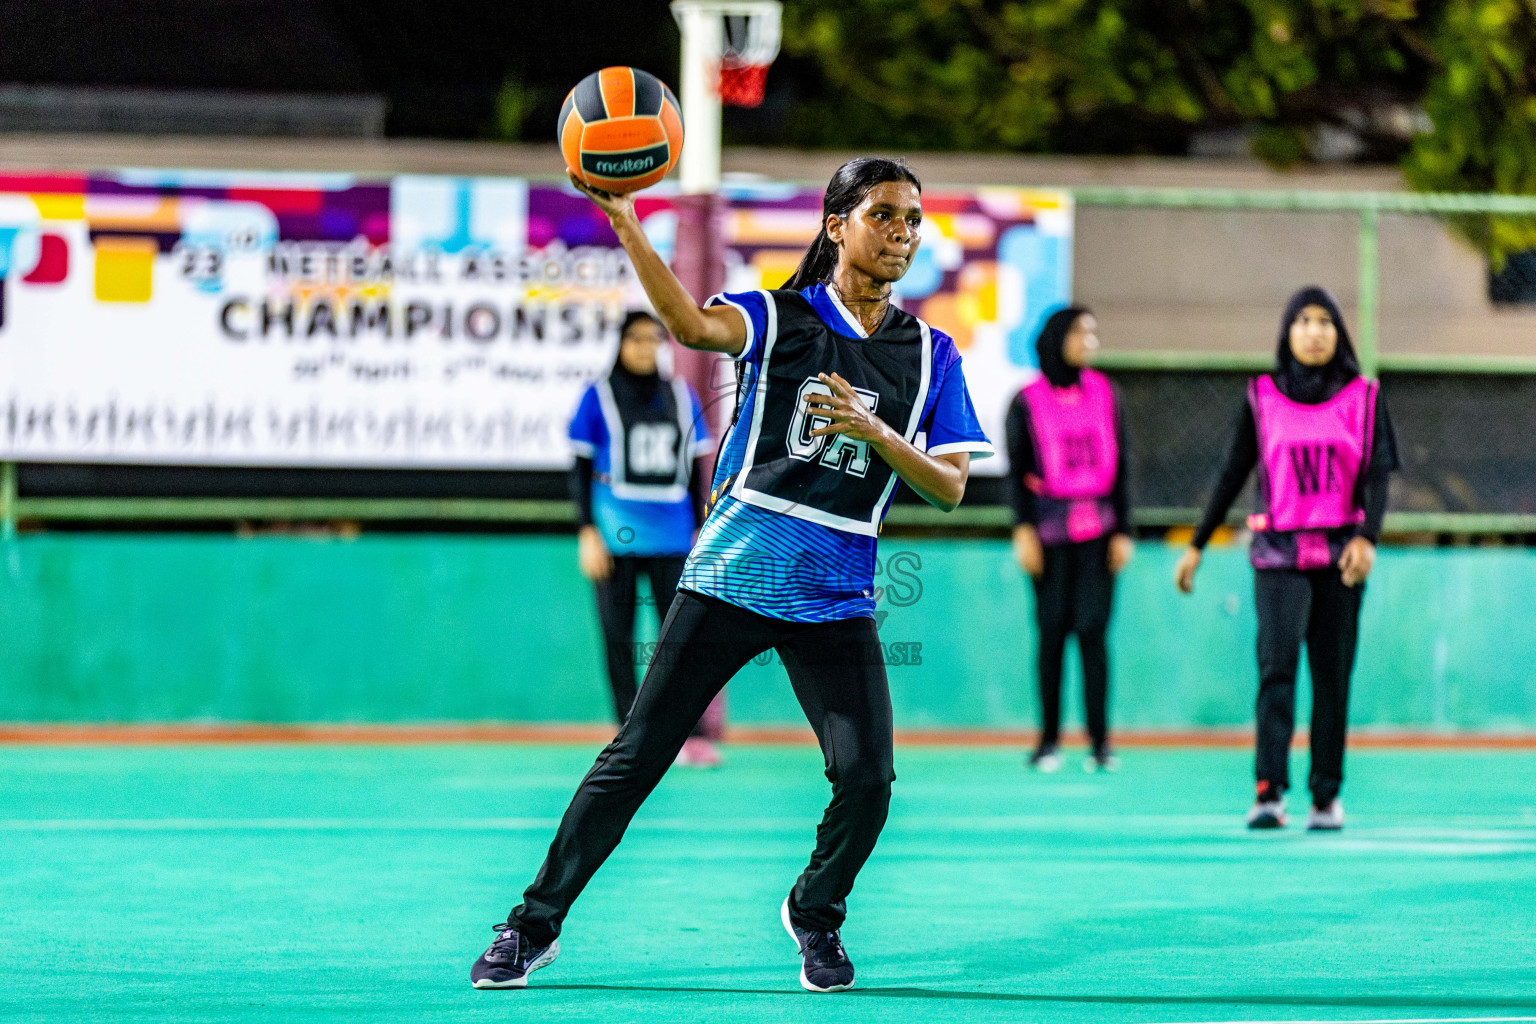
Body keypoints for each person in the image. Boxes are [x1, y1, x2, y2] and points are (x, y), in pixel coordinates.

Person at [470, 157, 993, 993]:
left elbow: (951, 486)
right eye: (884, 215)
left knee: (868, 779)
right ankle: (532, 926)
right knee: (635, 757)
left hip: (834, 596)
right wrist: (627, 223)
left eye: (912, 220)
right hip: (731, 575)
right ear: (836, 225)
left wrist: (875, 431)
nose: (902, 233)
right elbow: (686, 325)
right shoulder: (779, 317)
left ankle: (814, 912)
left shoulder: (930, 354)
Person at [1174, 285, 1398, 832]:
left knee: (1332, 676)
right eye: (1303, 320)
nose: (1315, 331)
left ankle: (1326, 795)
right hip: (1278, 555)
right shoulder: (1261, 396)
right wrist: (1198, 544)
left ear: (1339, 332)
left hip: (1341, 554)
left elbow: (1377, 476)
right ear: (1287, 332)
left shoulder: (1365, 398)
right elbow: (1232, 474)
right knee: (1276, 672)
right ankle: (1269, 790)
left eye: (1325, 321)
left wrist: (1368, 538)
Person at [567, 310, 722, 767]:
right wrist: (586, 532)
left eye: (652, 338)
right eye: (633, 338)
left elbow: (698, 469)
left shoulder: (680, 394)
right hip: (615, 537)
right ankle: (629, 737)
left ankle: (686, 735)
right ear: (619, 343)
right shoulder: (598, 397)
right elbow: (577, 469)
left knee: (680, 641)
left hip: (673, 536)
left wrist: (701, 528)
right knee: (618, 639)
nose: (642, 346)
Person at [1005, 306, 1132, 774]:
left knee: (1094, 635)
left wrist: (1124, 530)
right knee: (1052, 635)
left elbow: (1124, 466)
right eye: (1081, 333)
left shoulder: (1106, 394)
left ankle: (1100, 743)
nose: (1089, 342)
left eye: (1093, 334)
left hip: (1098, 533)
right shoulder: (1026, 401)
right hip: (1049, 534)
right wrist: (1023, 531)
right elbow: (1017, 475)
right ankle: (1048, 742)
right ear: (1058, 338)